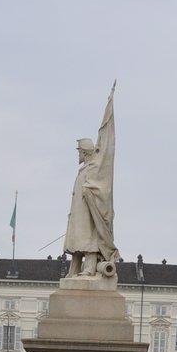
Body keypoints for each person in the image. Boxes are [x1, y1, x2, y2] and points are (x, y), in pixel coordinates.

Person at [62, 85, 117, 278]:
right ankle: (74, 268)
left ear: (84, 152)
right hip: (79, 213)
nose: (78, 154)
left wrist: (90, 191)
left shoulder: (94, 167)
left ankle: (90, 267)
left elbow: (101, 187)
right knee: (77, 240)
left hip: (89, 213)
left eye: (79, 151)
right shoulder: (83, 169)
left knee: (88, 239)